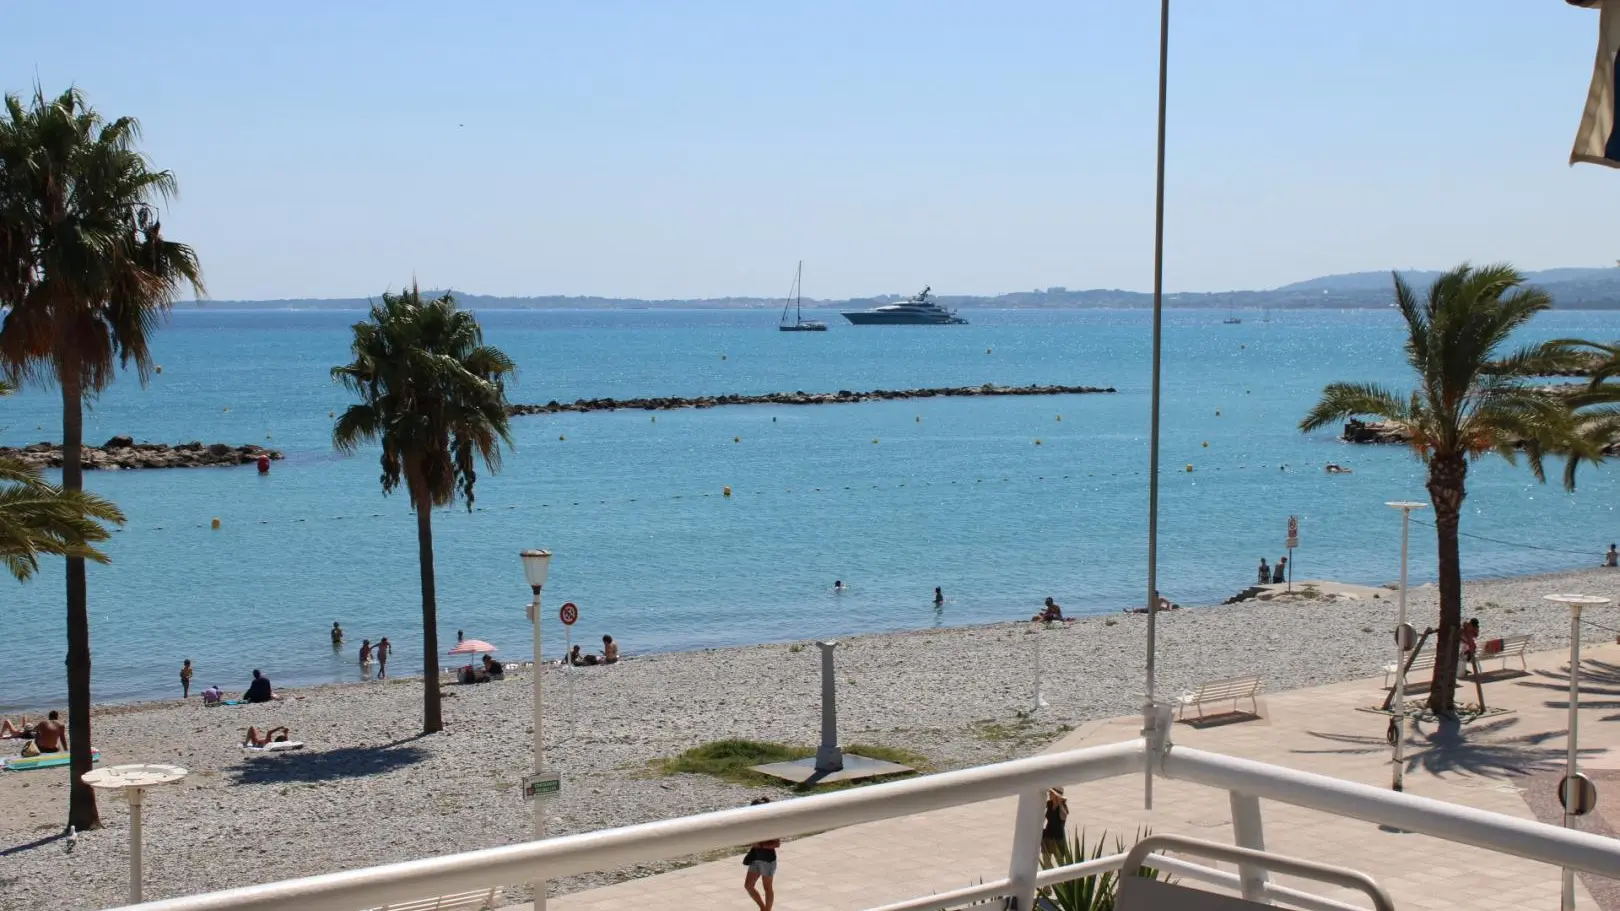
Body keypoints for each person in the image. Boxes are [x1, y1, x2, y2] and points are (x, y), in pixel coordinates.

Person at [742, 796, 779, 911]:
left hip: (768, 860)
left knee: (767, 888)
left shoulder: (771, 825)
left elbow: (776, 844)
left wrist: (760, 845)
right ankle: (763, 909)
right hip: (756, 858)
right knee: (748, 886)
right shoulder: (754, 824)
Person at [1042, 787, 1070, 863]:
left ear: (1056, 795)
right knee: (1046, 862)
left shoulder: (1063, 807)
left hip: (1058, 837)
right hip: (1048, 835)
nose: (1049, 794)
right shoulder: (1049, 804)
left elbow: (1064, 816)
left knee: (1060, 861)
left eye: (1051, 793)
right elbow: (1043, 817)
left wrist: (1060, 804)